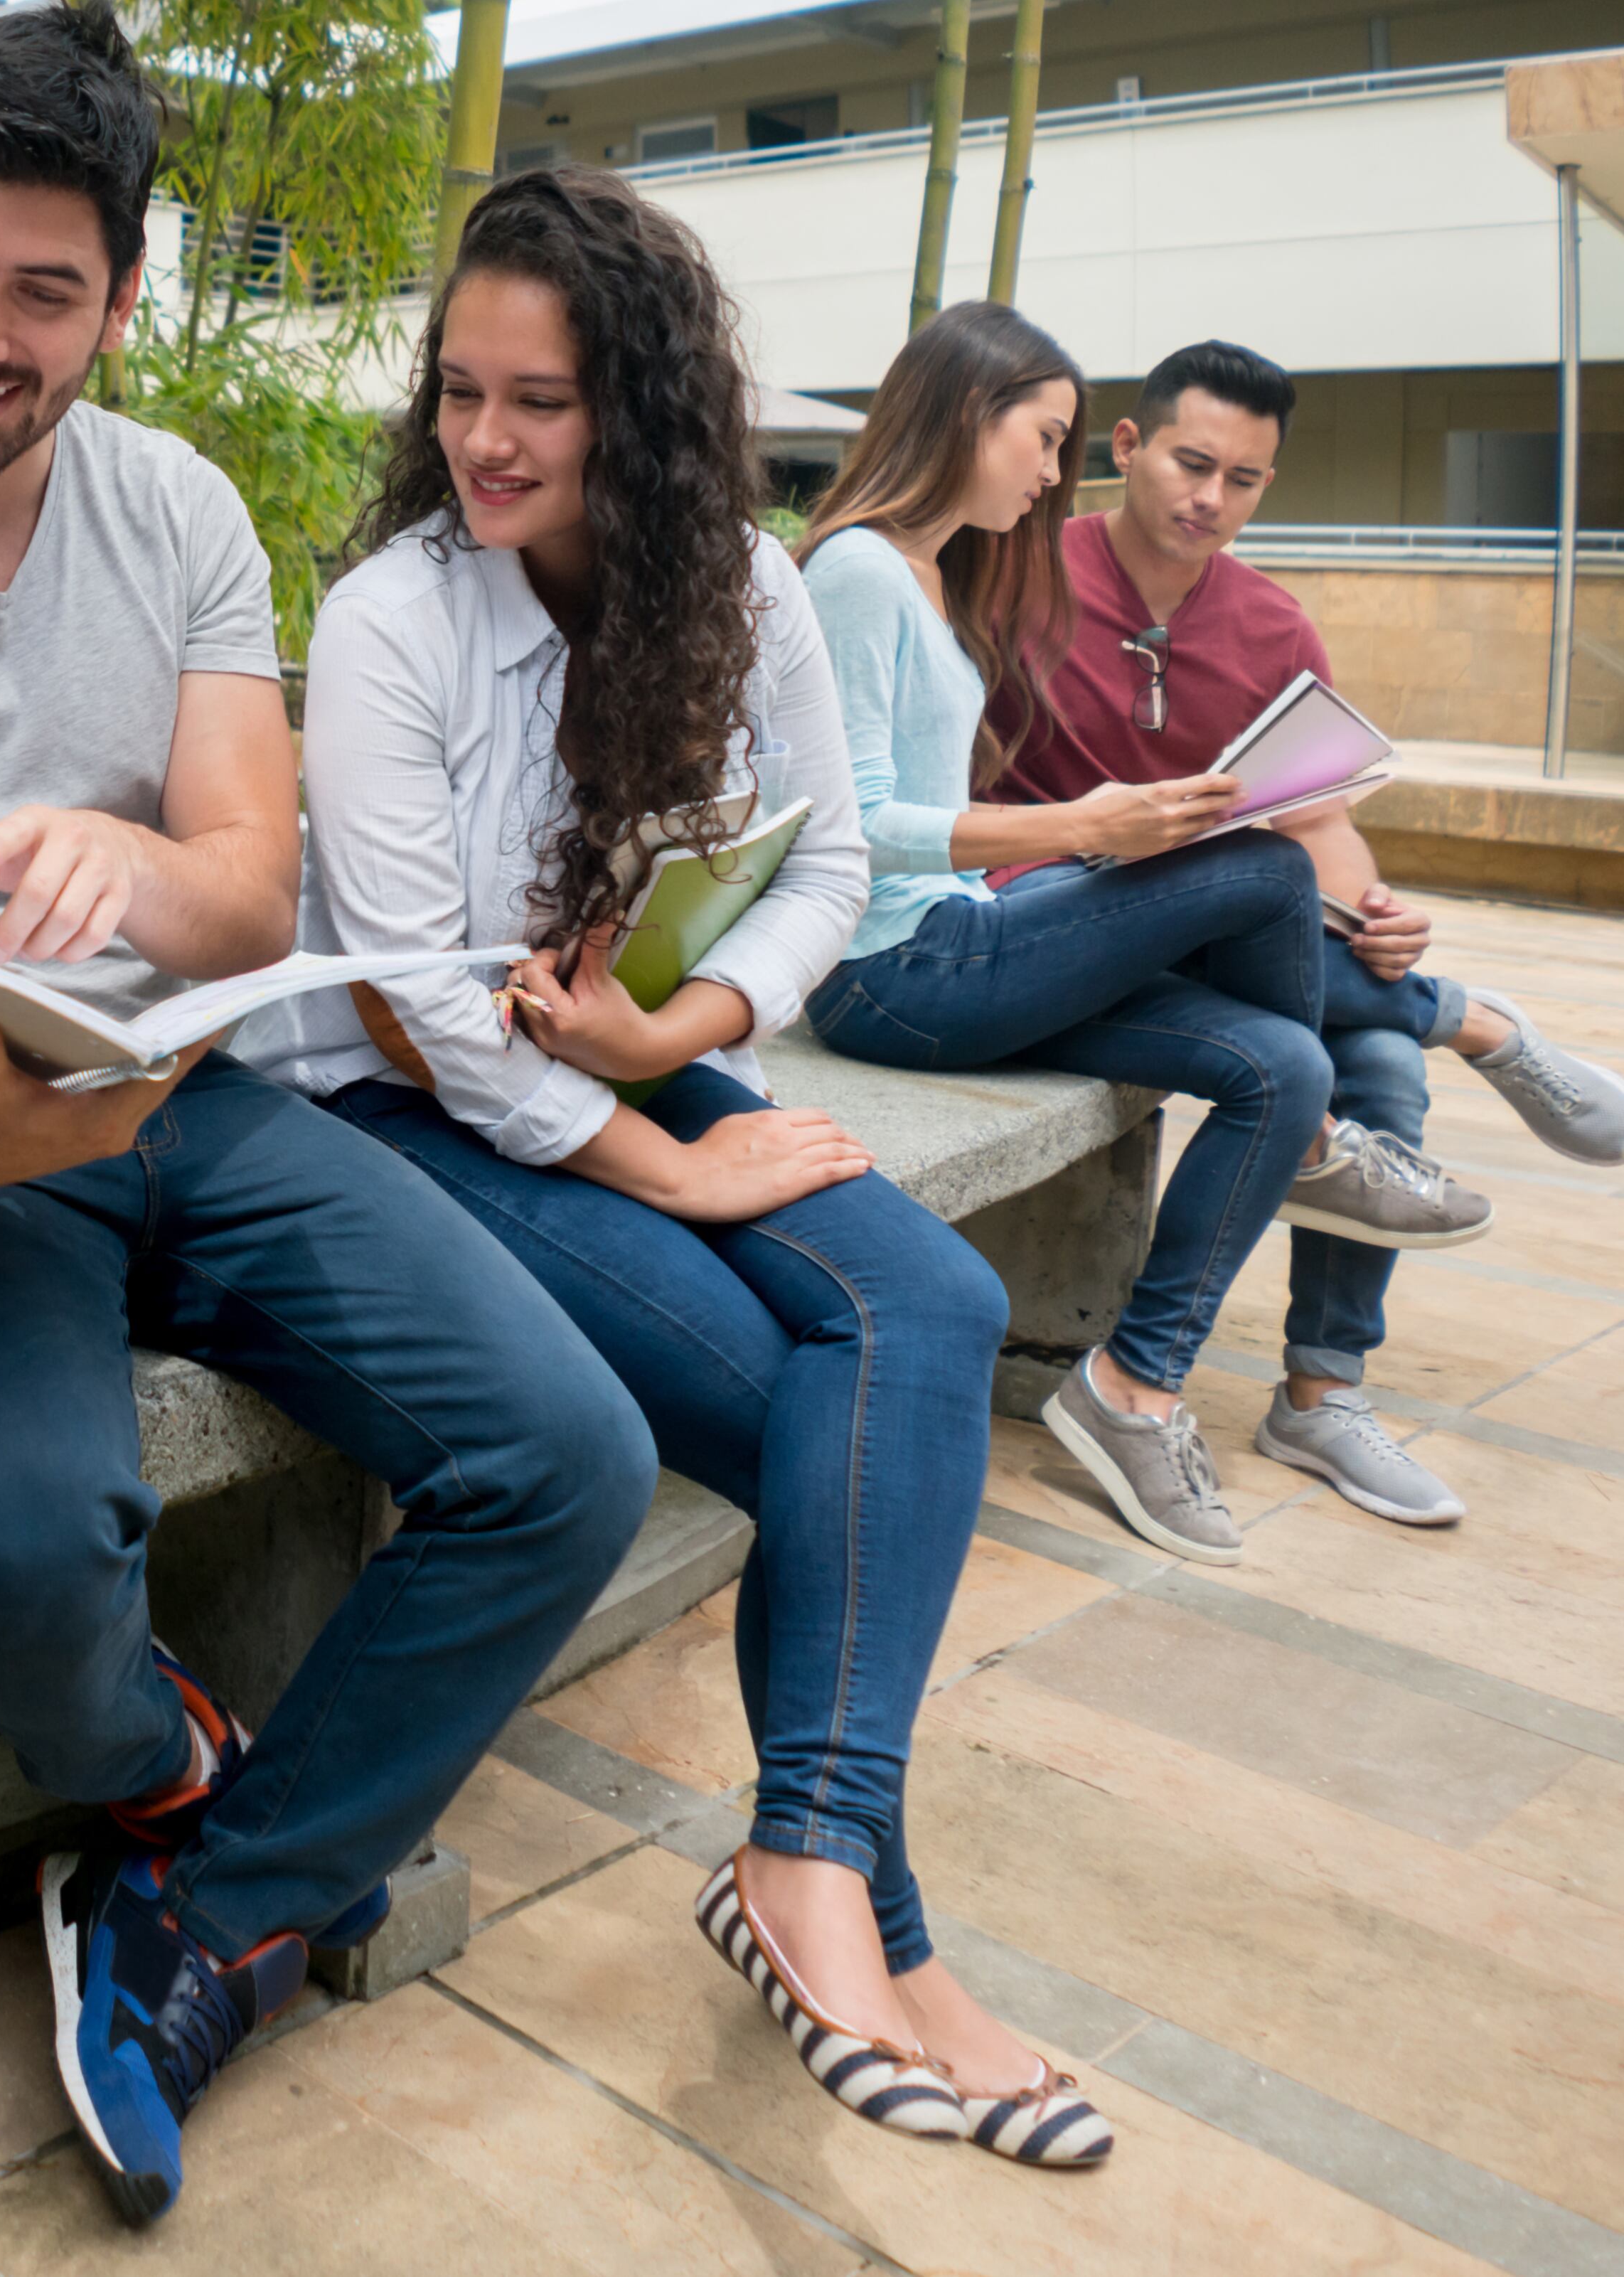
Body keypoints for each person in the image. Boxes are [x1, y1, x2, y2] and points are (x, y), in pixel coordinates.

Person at [0, 0, 658, 2227]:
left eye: (43, 290)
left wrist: (137, 875)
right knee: (15, 1547)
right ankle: (167, 1772)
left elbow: (248, 876)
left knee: (565, 1458)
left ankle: (198, 1923)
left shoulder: (181, 506)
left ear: (121, 297)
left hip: (186, 1099)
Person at [265, 166, 1110, 2167]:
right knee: (833, 1403)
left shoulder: (731, 579)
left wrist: (687, 1038)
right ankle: (863, 1915)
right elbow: (412, 1008)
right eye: (460, 390)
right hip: (409, 1104)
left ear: (631, 409)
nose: (483, 439)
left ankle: (809, 1870)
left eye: (538, 401)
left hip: (628, 1051)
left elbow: (824, 857)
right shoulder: (393, 618)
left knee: (944, 1302)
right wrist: (669, 1165)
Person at [796, 304, 1483, 1574]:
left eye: (1062, 445)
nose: (1054, 474)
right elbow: (847, 828)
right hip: (888, 975)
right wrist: (1086, 824)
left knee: (1289, 1066)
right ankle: (1436, 1034)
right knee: (1263, 865)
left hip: (969, 937)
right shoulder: (854, 570)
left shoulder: (932, 568)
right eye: (1043, 439)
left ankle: (1133, 1389)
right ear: (967, 417)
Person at [988, 339, 1624, 1527]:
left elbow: (1321, 820)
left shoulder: (1273, 625)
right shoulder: (1021, 571)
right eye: (1190, 463)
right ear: (1125, 446)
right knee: (1321, 986)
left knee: (1371, 1061)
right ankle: (1475, 1025)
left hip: (1222, 941)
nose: (1209, 500)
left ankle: (1322, 1394)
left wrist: (1372, 912)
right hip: (1046, 924)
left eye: (1244, 481)